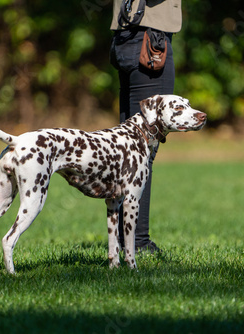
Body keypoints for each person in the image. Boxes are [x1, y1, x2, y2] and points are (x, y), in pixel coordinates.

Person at [109, 0, 182, 253]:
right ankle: (136, 242)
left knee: (128, 150)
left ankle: (121, 240)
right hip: (151, 38)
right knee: (141, 152)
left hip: (125, 36)